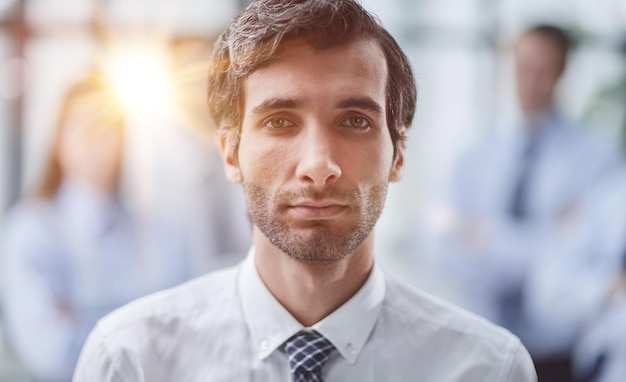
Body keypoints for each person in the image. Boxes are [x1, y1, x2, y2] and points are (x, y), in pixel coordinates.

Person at [72, 1, 537, 381]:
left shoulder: (488, 369)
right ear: (231, 154)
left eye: (355, 121)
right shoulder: (131, 361)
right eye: (280, 122)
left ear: (398, 155)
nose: (319, 165)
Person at [418, 24, 620, 381]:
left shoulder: (596, 158)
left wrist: (485, 237)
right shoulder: (475, 152)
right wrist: (541, 241)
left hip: (560, 350)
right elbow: (437, 243)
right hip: (478, 342)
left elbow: (579, 258)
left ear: (561, 73)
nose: (531, 81)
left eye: (543, 70)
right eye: (523, 67)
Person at [1, 73, 192, 382]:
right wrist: (147, 328)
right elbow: (53, 354)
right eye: (84, 124)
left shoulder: (165, 236)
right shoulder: (29, 231)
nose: (96, 137)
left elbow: (191, 340)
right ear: (59, 138)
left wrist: (83, 320)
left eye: (108, 126)